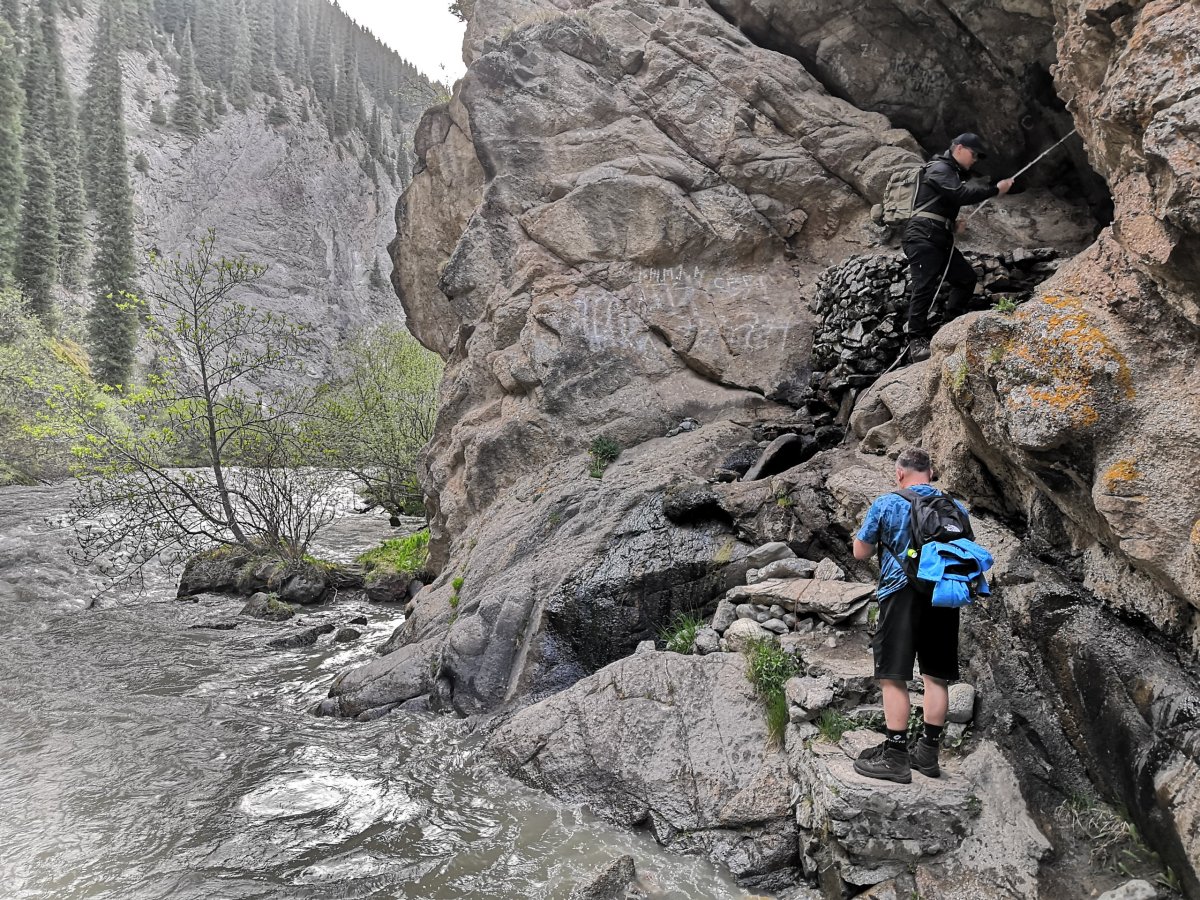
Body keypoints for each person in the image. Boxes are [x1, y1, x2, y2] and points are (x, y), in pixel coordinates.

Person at [851, 446, 968, 783]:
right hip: (943, 597)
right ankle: (928, 754)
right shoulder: (955, 508)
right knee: (935, 676)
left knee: (893, 676)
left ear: (900, 473)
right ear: (930, 473)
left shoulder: (887, 503)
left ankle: (896, 756)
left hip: (899, 593)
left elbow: (861, 552)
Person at [904, 133, 1014, 362]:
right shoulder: (940, 168)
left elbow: (942, 201)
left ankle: (949, 329)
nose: (974, 160)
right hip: (923, 236)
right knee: (924, 286)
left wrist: (951, 225)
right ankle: (916, 343)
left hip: (937, 236)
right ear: (959, 148)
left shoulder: (949, 172)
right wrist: (995, 189)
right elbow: (959, 194)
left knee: (965, 279)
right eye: (973, 155)